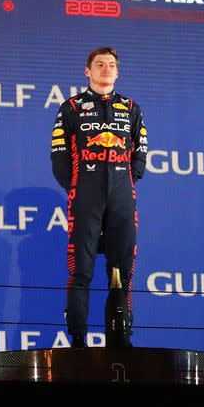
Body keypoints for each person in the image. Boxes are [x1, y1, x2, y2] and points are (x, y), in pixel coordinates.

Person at [51, 47, 147, 348]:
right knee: (81, 269)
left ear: (117, 72)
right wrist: (79, 188)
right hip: (86, 195)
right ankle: (78, 339)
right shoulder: (71, 108)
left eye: (111, 65)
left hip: (121, 195)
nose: (106, 69)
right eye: (99, 65)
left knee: (122, 270)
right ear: (87, 71)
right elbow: (59, 158)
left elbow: (140, 154)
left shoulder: (131, 107)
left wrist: (125, 180)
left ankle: (120, 338)